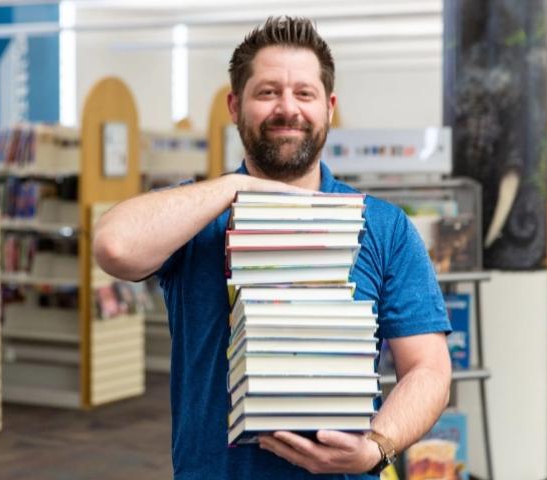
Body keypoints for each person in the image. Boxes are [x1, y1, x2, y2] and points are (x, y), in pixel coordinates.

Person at [93, 16, 452, 479]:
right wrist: (237, 187)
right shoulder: (196, 220)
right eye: (267, 92)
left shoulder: (384, 227)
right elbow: (114, 246)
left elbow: (428, 369)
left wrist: (375, 448)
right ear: (234, 105)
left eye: (304, 93)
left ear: (329, 107)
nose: (287, 108)